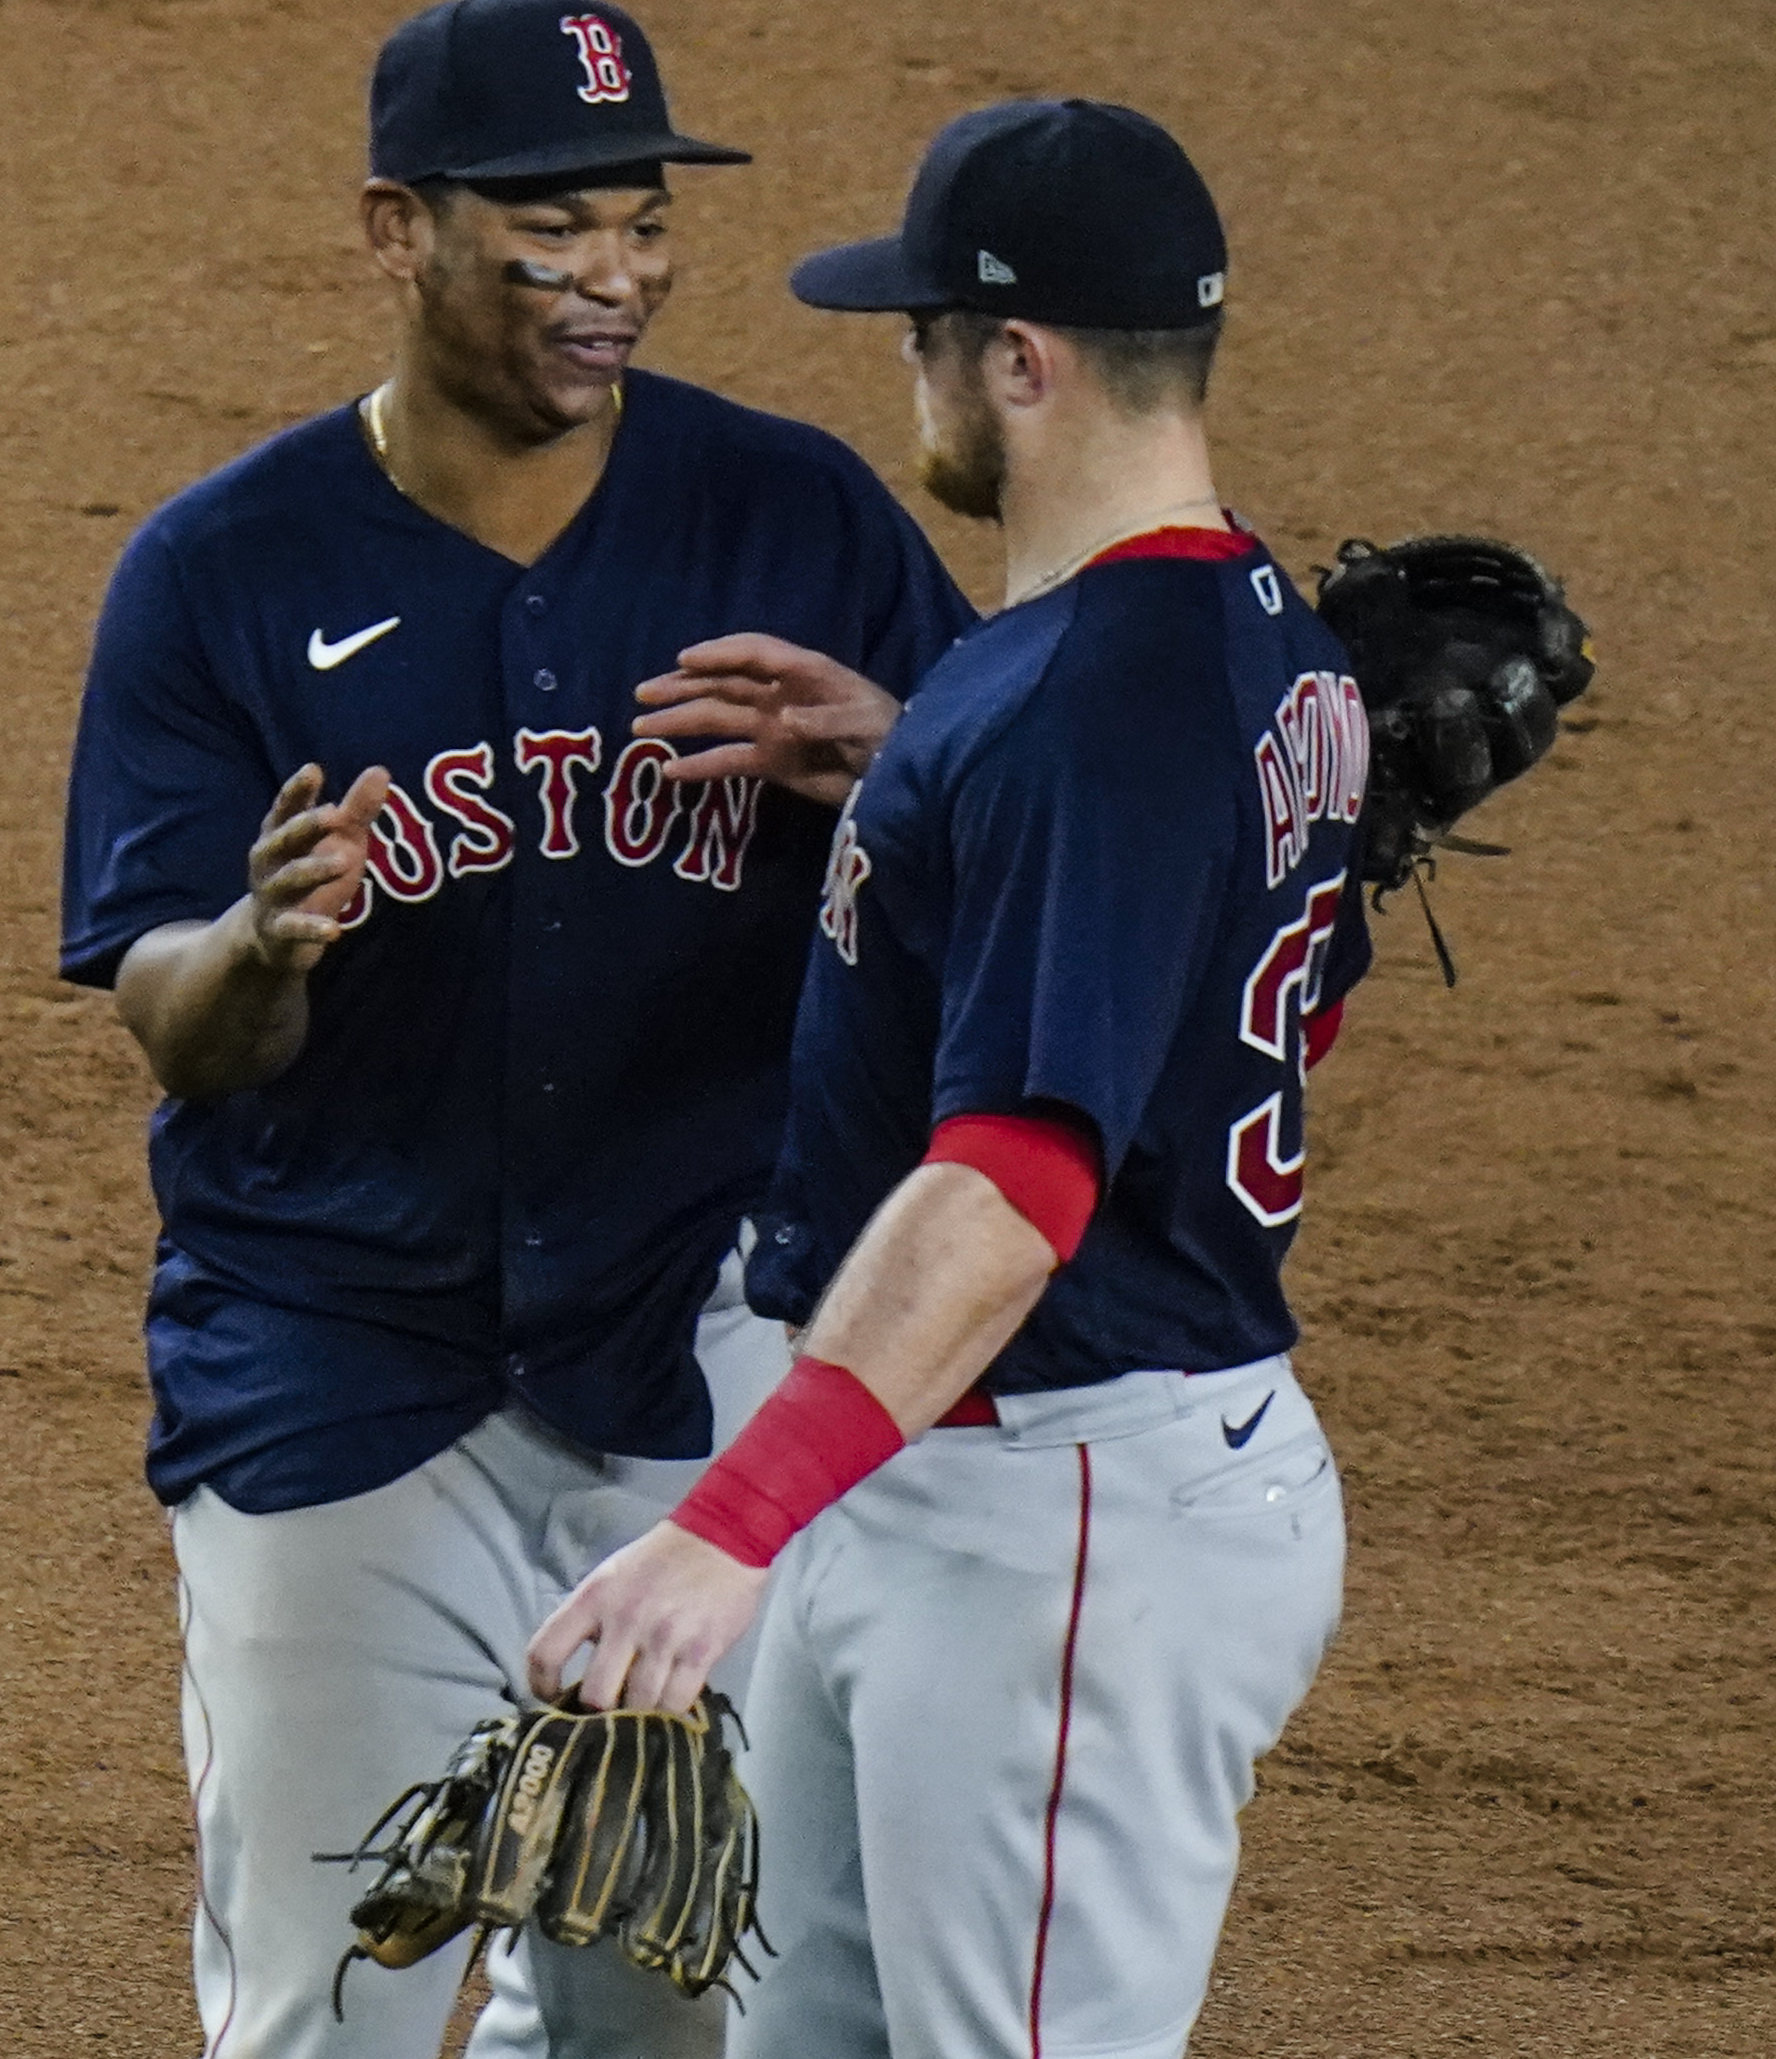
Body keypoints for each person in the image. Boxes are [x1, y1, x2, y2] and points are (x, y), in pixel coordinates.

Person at [58, 0, 973, 2059]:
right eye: (555, 229)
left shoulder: (797, 518)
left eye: (645, 223)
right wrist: (262, 950)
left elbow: (1026, 869)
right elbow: (171, 1018)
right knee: (334, 2013)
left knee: (672, 2001)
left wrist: (904, 760)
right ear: (400, 232)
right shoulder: (222, 569)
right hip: (340, 1367)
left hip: (709, 1359)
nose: (617, 278)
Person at [527, 99, 1374, 2059]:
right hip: (955, 1479)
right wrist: (927, 785)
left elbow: (1014, 1192)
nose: (903, 368)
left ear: (1018, 360)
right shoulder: (1250, 636)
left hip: (1061, 1510)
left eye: (921, 330)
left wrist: (730, 1519)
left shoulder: (1086, 710)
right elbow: (1255, 985)